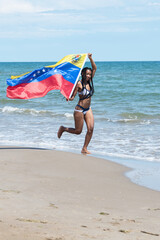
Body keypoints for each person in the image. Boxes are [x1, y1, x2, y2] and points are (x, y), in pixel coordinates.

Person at [57, 53, 97, 154]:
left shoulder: (89, 81)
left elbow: (95, 68)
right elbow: (73, 96)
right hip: (79, 109)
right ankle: (63, 128)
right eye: (87, 74)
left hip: (88, 109)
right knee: (78, 131)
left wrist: (90, 58)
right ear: (83, 74)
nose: (88, 76)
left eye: (89, 74)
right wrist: (69, 98)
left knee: (91, 129)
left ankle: (84, 148)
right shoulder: (79, 83)